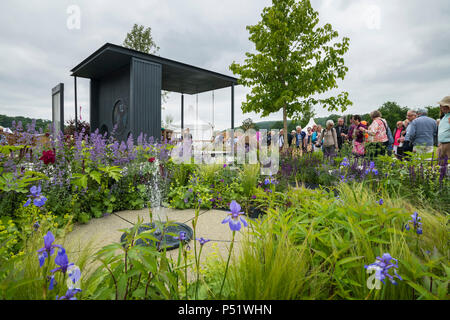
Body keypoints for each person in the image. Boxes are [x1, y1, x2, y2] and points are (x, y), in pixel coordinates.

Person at [437, 96, 450, 163]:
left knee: (448, 166)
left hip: (448, 144)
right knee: (440, 166)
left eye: (443, 105)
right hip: (441, 144)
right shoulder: (444, 117)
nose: (441, 107)